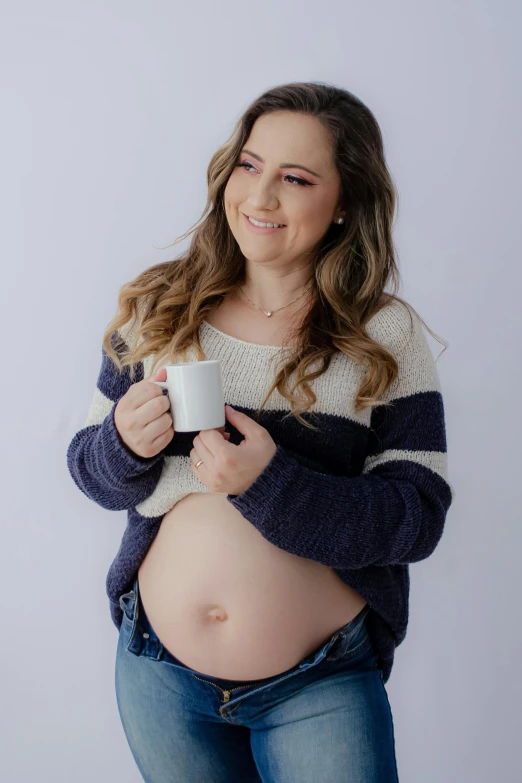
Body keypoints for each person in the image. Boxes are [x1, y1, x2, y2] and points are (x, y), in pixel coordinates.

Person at [66, 81, 453, 782]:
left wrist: (269, 485)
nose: (261, 195)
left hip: (320, 686)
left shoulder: (382, 336)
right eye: (249, 164)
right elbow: (88, 470)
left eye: (296, 178)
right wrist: (123, 443)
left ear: (344, 202)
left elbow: (417, 516)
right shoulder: (160, 307)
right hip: (159, 676)